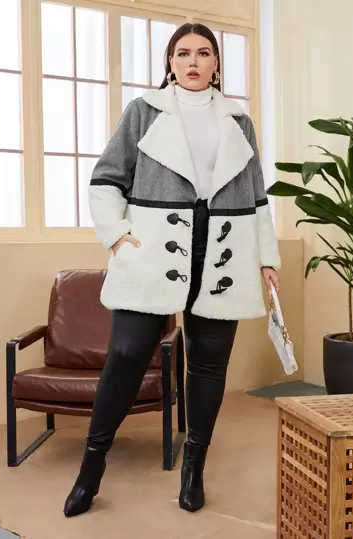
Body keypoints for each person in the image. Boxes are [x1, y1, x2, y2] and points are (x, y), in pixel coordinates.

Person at [63, 22, 281, 518]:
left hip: (222, 247)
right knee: (126, 355)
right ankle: (91, 467)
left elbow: (257, 196)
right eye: (183, 53)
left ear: (216, 63)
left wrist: (267, 257)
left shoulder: (238, 120)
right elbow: (106, 179)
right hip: (155, 248)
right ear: (170, 62)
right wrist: (116, 235)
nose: (193, 62)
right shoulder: (143, 112)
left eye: (203, 53)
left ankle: (194, 468)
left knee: (208, 364)